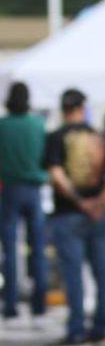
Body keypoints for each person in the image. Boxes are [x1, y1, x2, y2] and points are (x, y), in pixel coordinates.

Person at [43, 88, 105, 346]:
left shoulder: (56, 137)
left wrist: (79, 201)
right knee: (102, 271)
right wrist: (100, 200)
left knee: (73, 273)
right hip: (99, 213)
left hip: (69, 212)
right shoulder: (97, 135)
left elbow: (56, 174)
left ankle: (76, 328)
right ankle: (101, 327)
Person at [0, 81, 49, 328]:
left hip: (9, 189)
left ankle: (11, 308)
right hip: (34, 188)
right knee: (37, 251)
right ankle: (39, 308)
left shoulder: (3, 126)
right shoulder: (37, 124)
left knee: (10, 251)